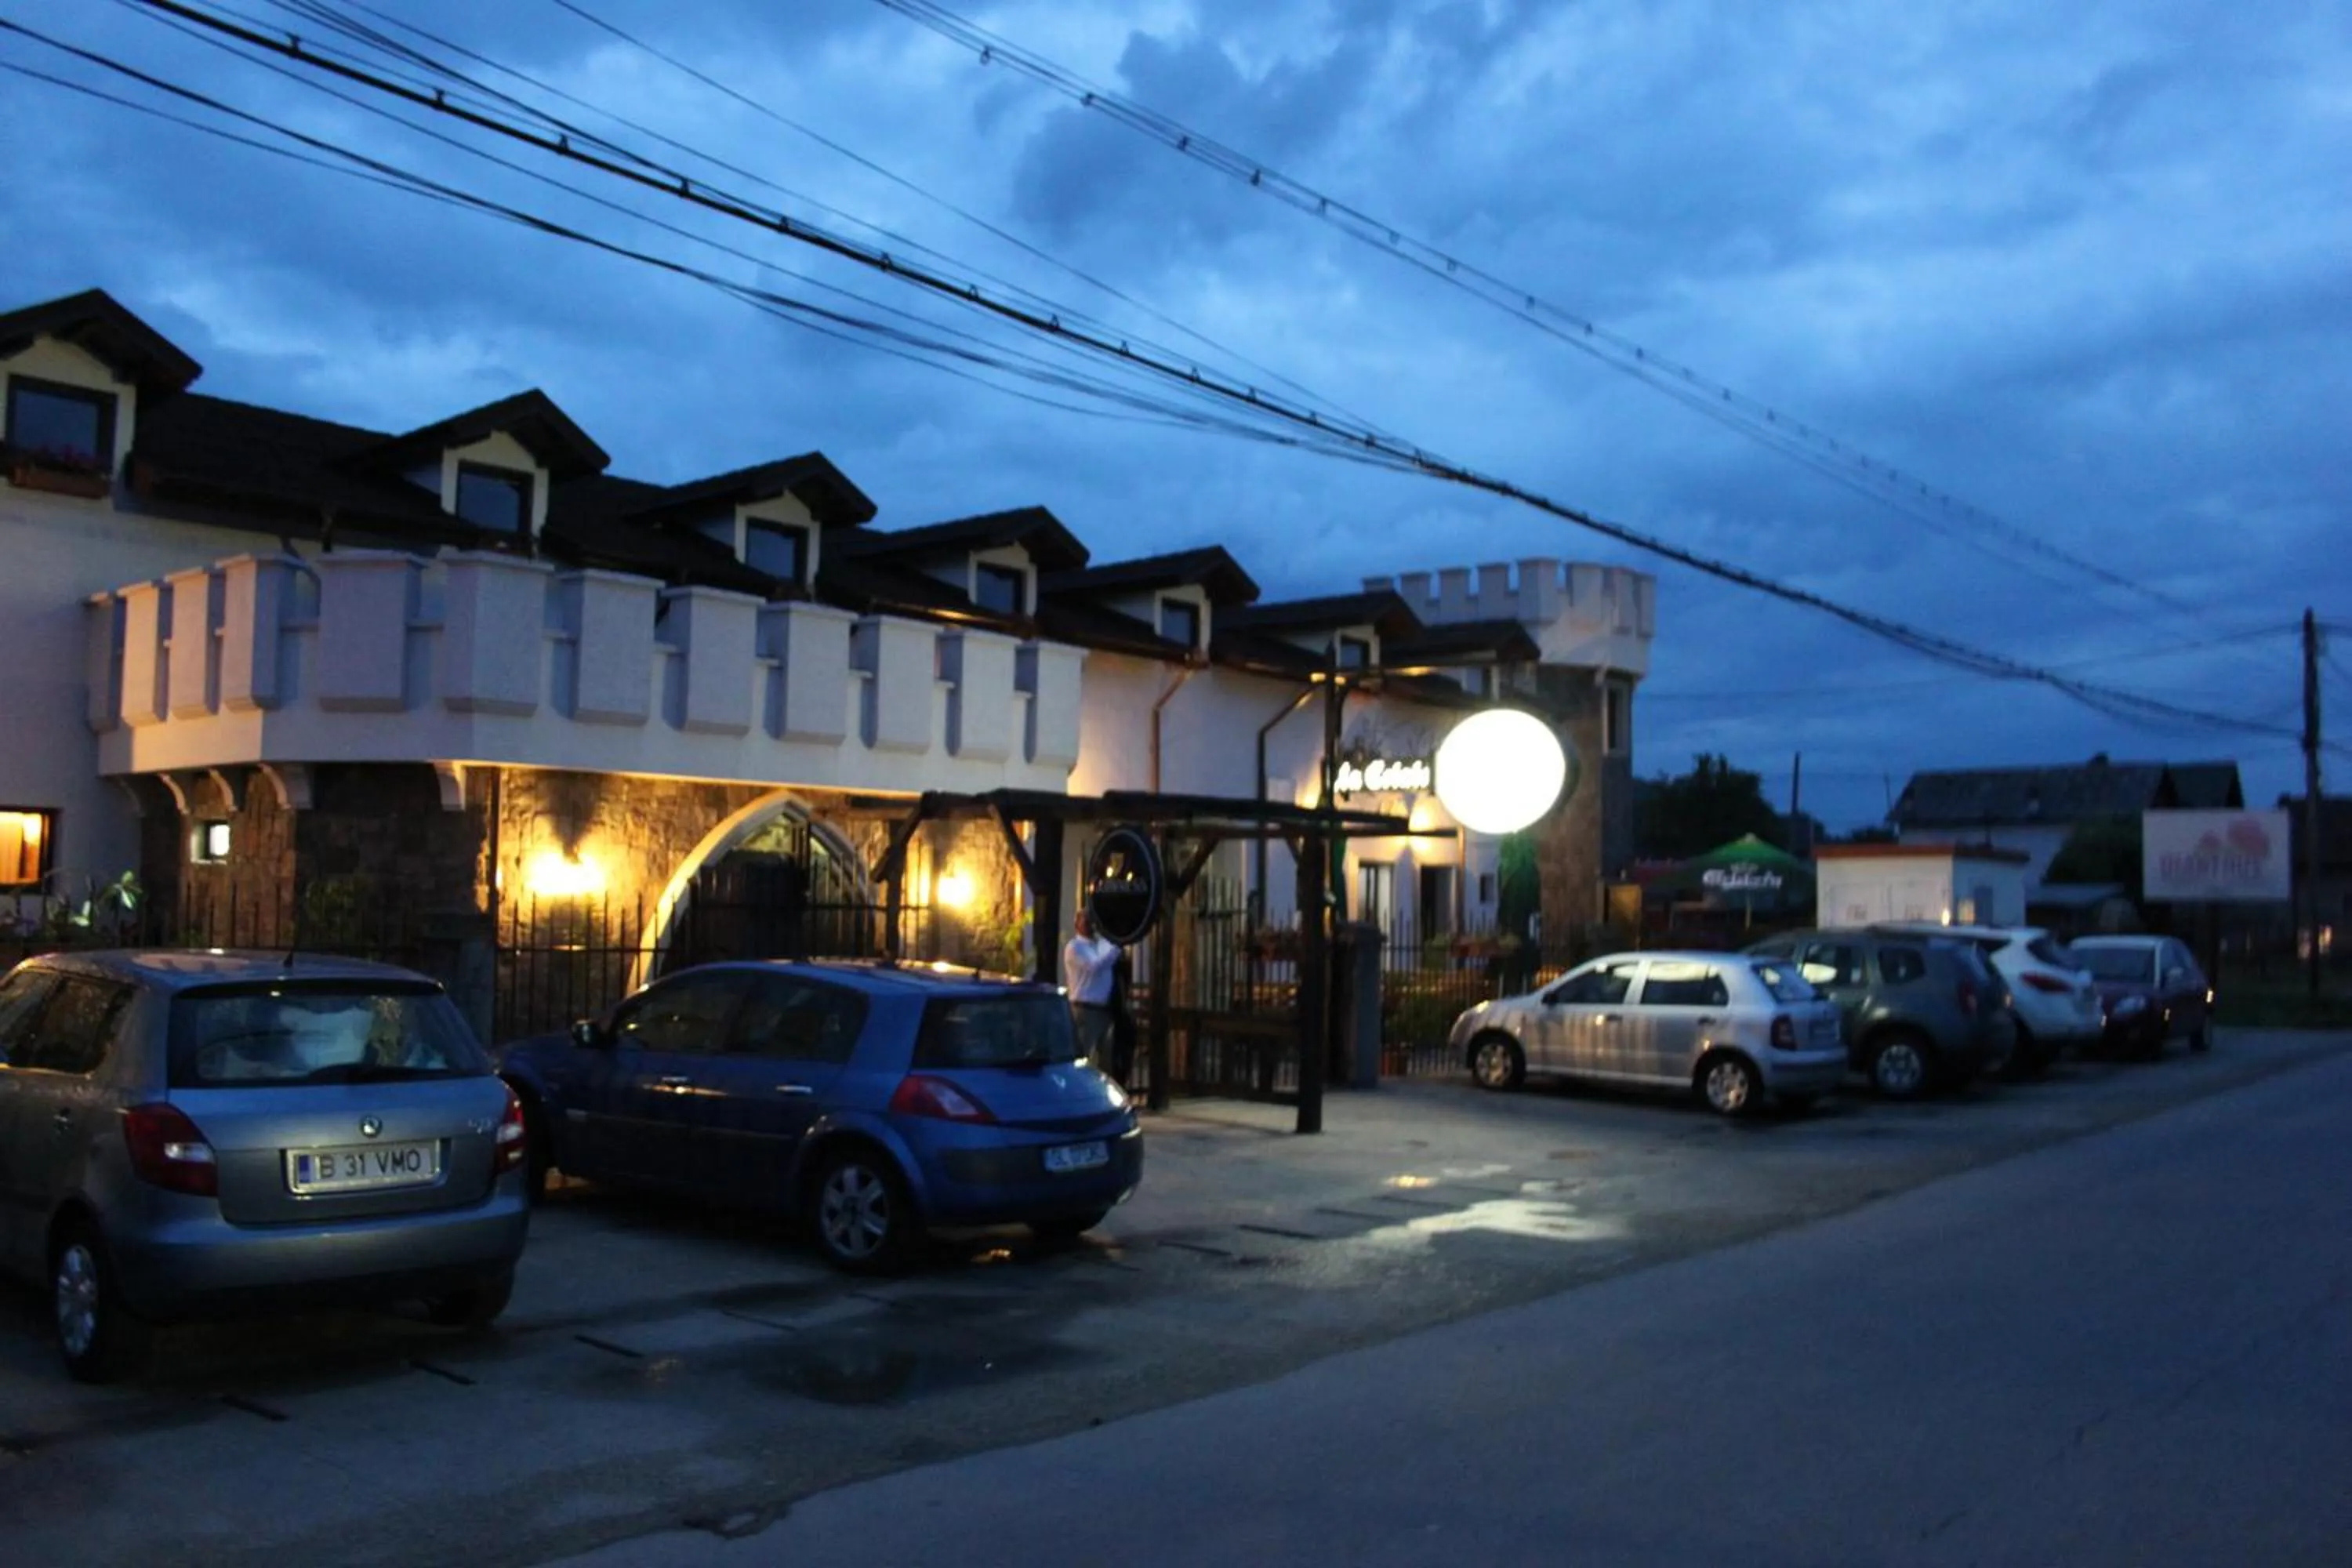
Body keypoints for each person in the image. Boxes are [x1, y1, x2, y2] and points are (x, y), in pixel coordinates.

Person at [1062, 910, 1120, 1069]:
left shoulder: (1100, 944)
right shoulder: (1074, 947)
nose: (1091, 925)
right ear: (1077, 925)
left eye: (1093, 921)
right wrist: (1116, 949)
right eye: (1085, 921)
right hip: (1085, 1010)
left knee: (1106, 1061)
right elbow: (1095, 966)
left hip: (1104, 1009)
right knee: (1082, 1056)